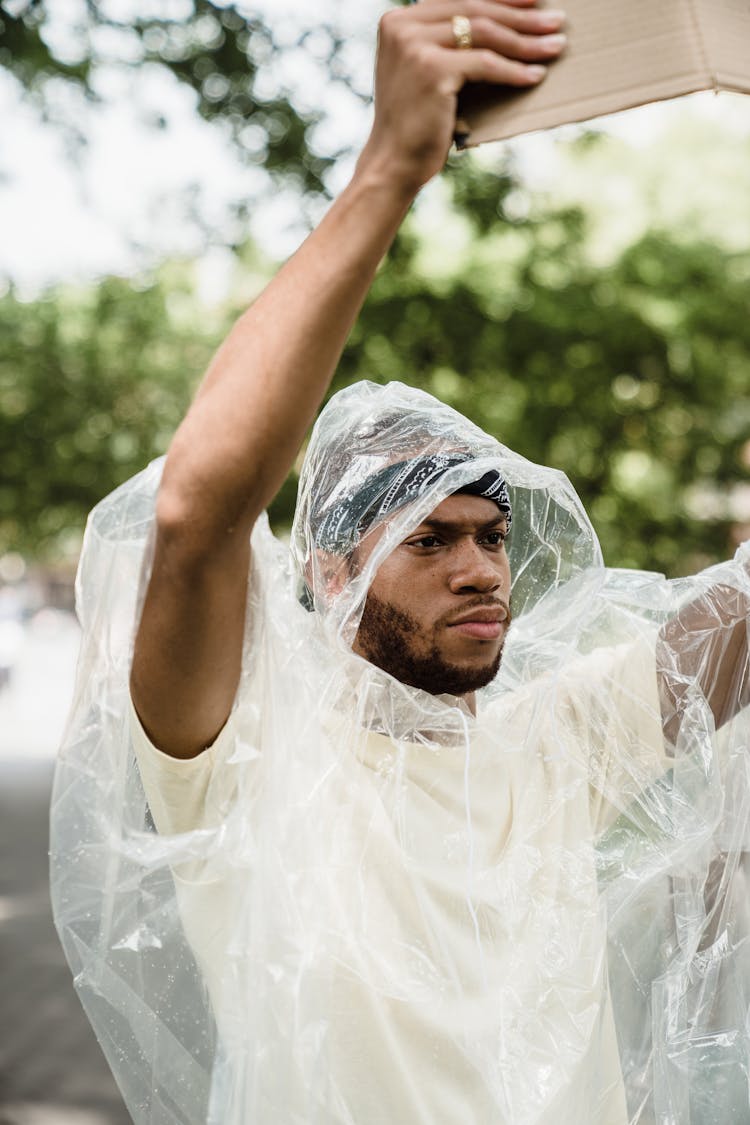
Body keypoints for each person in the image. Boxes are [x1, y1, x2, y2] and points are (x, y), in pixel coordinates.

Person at [50, 3, 750, 1124]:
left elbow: (740, 618)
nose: (480, 569)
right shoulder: (246, 763)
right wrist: (390, 167)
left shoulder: (549, 747)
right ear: (329, 576)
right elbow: (197, 515)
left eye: (492, 534)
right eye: (429, 539)